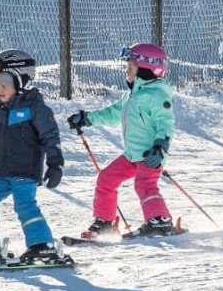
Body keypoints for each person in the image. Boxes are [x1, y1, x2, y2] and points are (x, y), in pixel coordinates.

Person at [0, 49, 70, 265]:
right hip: (0, 173)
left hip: (24, 172)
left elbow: (51, 137)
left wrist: (55, 164)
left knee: (24, 205)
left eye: (4, 86)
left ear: (20, 82)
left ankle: (42, 246)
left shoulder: (35, 108)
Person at [66, 42, 178, 238]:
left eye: (130, 67)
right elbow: (113, 113)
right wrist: (87, 118)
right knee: (106, 179)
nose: (127, 71)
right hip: (132, 154)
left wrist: (160, 147)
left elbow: (166, 123)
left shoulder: (158, 95)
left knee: (144, 184)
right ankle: (105, 221)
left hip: (151, 154)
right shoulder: (132, 94)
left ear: (145, 70)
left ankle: (160, 221)